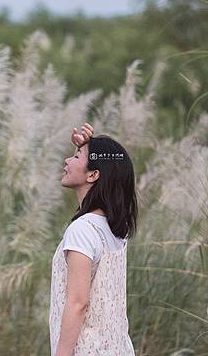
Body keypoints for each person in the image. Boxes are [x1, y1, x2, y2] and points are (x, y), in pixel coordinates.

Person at [50, 123, 137, 355]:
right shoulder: (113, 229)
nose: (67, 161)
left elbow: (78, 302)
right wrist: (89, 150)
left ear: (94, 174)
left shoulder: (82, 230)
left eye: (75, 156)